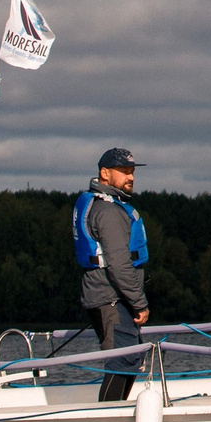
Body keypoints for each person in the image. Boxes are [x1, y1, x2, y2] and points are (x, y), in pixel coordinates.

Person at [74, 146, 149, 403]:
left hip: (108, 297)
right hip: (112, 299)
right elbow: (118, 263)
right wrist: (139, 303)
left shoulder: (103, 204)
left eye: (132, 172)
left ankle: (111, 418)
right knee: (121, 363)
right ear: (105, 174)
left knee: (127, 362)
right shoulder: (108, 211)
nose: (131, 177)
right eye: (124, 172)